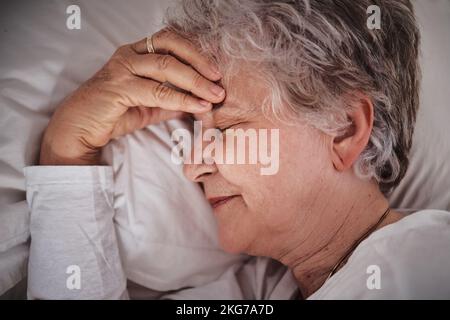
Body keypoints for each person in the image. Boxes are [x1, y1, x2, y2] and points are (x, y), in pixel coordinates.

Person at [24, 0, 450, 299]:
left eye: (227, 127)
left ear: (344, 130)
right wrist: (68, 151)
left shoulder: (426, 266)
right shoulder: (265, 287)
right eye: (196, 128)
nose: (192, 168)